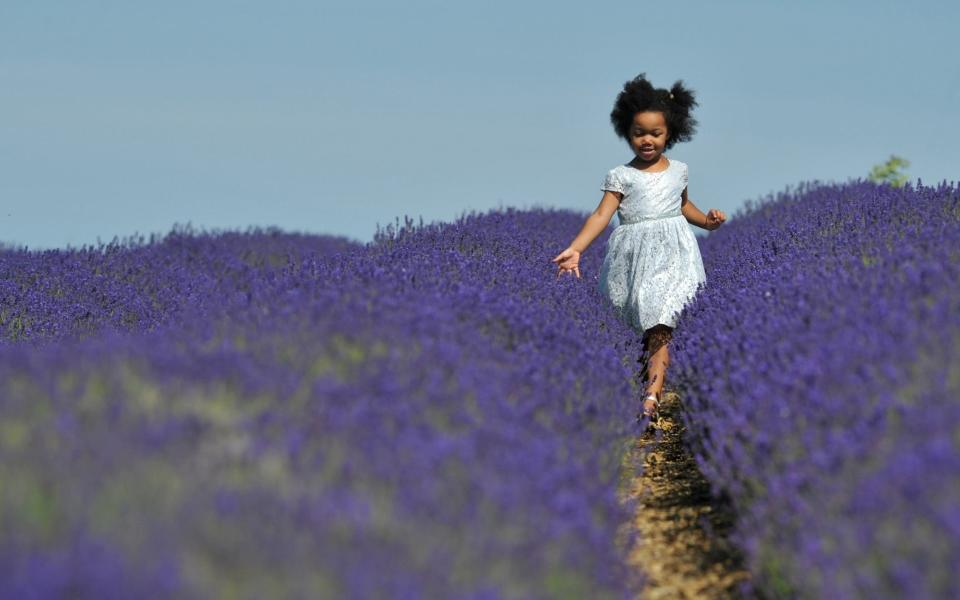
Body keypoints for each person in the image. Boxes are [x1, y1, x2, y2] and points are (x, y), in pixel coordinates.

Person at [551, 73, 726, 427]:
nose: (647, 140)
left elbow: (682, 206)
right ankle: (639, 383)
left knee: (662, 319)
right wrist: (576, 248)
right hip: (633, 256)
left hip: (674, 252)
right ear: (627, 133)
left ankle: (652, 395)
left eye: (655, 133)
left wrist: (707, 223)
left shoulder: (680, 171)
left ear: (670, 134)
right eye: (639, 133)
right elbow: (602, 215)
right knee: (638, 323)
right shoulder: (621, 175)